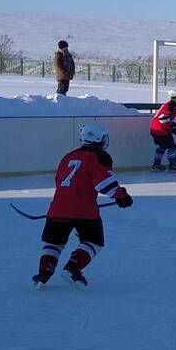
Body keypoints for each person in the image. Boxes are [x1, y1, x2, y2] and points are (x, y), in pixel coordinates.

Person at [33, 123, 132, 287]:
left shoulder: (68, 156)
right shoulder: (100, 156)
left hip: (57, 208)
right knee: (94, 242)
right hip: (84, 212)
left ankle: (43, 275)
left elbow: (59, 180)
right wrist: (121, 196)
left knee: (54, 243)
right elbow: (104, 183)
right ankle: (73, 268)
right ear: (99, 139)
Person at [149, 89, 176, 172]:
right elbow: (163, 118)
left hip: (157, 128)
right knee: (172, 146)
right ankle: (171, 165)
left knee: (163, 146)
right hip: (159, 130)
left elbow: (165, 118)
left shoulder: (171, 105)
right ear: (174, 98)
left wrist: (172, 126)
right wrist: (173, 129)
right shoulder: (171, 106)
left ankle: (156, 165)